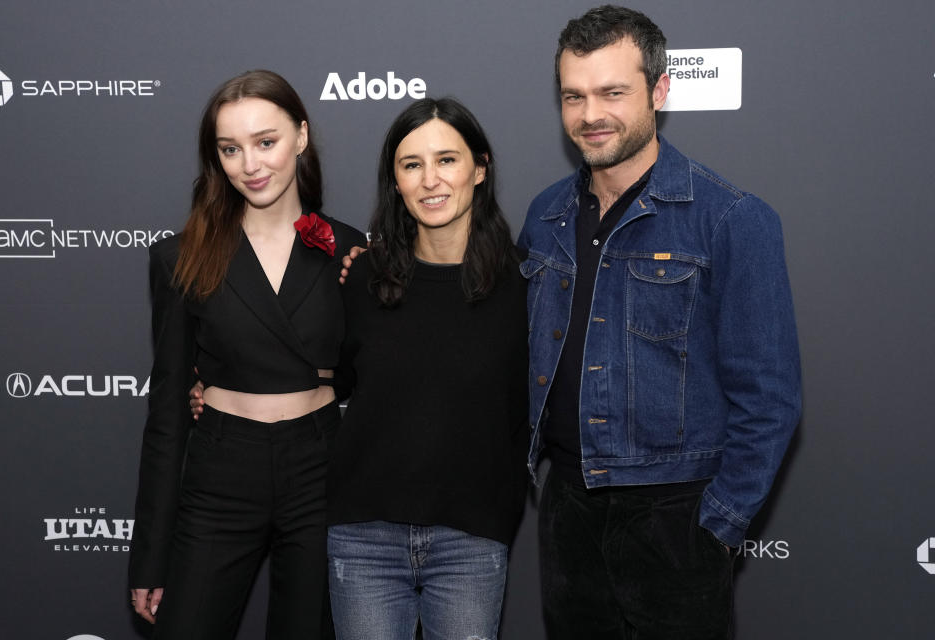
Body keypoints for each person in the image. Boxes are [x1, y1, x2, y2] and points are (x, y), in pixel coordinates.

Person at [519, 5, 802, 638]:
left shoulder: (730, 218)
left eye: (612, 92)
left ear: (660, 89)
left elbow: (771, 396)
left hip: (675, 517)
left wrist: (718, 527)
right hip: (568, 507)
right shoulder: (545, 216)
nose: (590, 114)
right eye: (574, 96)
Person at [129, 69, 364, 640]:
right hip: (221, 469)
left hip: (320, 469)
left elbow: (366, 376)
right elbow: (165, 415)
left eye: (266, 142)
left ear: (301, 137)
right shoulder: (182, 256)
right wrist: (150, 558)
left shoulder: (351, 251)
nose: (250, 165)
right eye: (230, 149)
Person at [325, 97, 529, 640]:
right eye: (411, 164)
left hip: (472, 537)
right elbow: (326, 379)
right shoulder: (363, 278)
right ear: (394, 180)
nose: (430, 180)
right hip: (364, 537)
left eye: (447, 160)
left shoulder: (524, 285)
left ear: (479, 168)